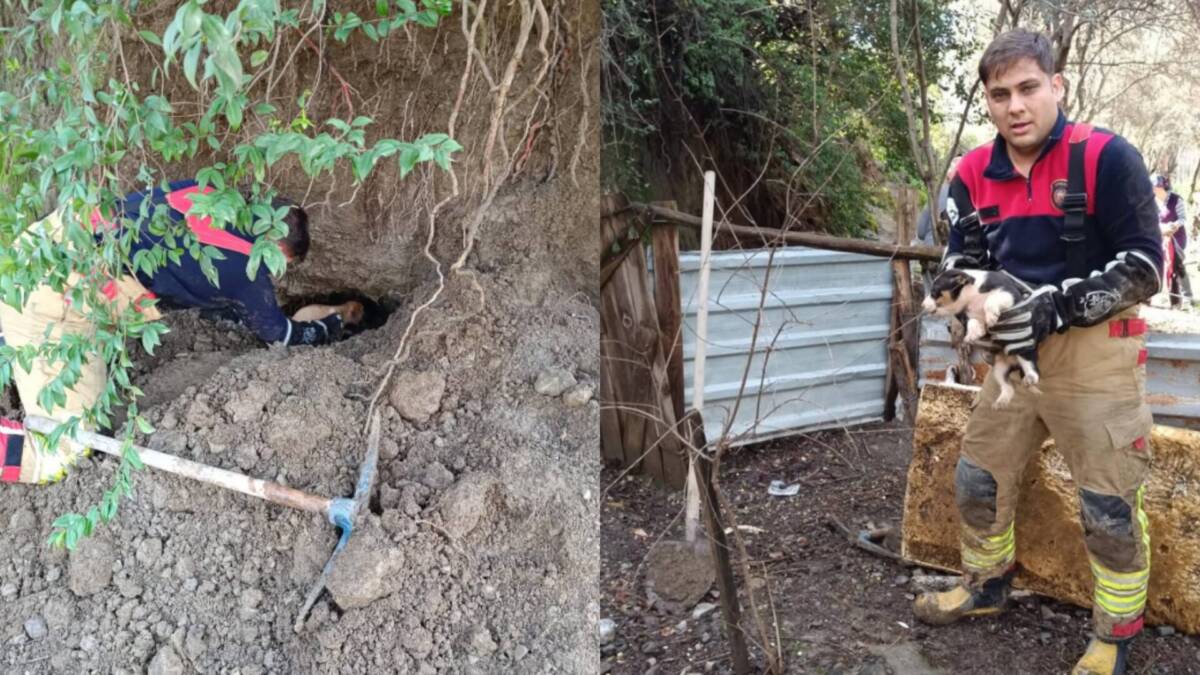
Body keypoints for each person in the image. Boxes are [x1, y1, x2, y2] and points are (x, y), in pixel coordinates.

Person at [913, 30, 1162, 675]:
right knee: (977, 480)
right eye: (1000, 94)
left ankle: (1115, 630)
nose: (1015, 106)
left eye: (1028, 88)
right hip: (1009, 357)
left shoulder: (1108, 157)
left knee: (1109, 507)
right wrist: (971, 310)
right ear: (989, 102)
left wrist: (1057, 304)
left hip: (1094, 352)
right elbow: (961, 261)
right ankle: (987, 585)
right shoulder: (970, 174)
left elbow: (1144, 265)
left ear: (1057, 86)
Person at [1, 180, 351, 485]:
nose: (274, 274)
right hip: (55, 304)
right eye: (279, 265)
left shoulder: (206, 190)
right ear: (273, 248)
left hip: (42, 244)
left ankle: (10, 338)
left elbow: (204, 287)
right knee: (69, 452)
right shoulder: (246, 272)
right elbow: (279, 334)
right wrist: (332, 324)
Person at [1150, 174, 1191, 308]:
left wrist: (1174, 225)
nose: (1155, 190)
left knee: (1178, 266)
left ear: (1162, 187)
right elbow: (1154, 219)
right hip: (1163, 236)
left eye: (1157, 187)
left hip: (1177, 237)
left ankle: (1187, 297)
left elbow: (1183, 218)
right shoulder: (1154, 201)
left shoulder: (1176, 199)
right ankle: (1167, 297)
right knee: (1161, 265)